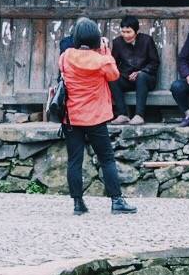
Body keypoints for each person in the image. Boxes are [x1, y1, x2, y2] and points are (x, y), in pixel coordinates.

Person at [58, 18, 137, 216]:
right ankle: (116, 201)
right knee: (107, 159)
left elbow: (64, 71)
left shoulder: (66, 56)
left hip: (71, 116)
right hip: (95, 117)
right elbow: (114, 75)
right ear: (96, 38)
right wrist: (104, 50)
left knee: (74, 160)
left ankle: (78, 203)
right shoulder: (101, 60)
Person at [110, 17, 162, 124]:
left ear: (137, 31)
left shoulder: (147, 40)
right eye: (123, 32)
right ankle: (122, 114)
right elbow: (113, 63)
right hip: (127, 78)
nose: (125, 35)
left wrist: (141, 72)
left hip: (146, 78)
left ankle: (139, 115)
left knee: (141, 77)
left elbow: (155, 62)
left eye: (129, 32)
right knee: (112, 78)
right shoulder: (117, 42)